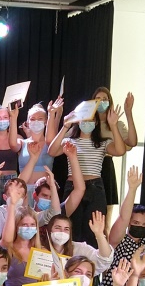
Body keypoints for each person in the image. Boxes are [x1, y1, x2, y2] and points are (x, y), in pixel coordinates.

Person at [47, 102, 127, 247]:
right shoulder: (69, 140)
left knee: (94, 231)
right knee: (71, 228)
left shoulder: (103, 143)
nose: (87, 123)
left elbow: (121, 151)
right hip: (73, 187)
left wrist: (114, 125)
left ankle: (92, 261)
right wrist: (65, 126)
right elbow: (51, 151)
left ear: (96, 122)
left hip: (95, 187)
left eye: (91, 120)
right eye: (84, 119)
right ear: (78, 121)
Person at [93, 167, 145, 286]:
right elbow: (123, 217)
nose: (140, 226)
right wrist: (132, 189)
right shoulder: (118, 240)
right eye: (136, 222)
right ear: (129, 223)